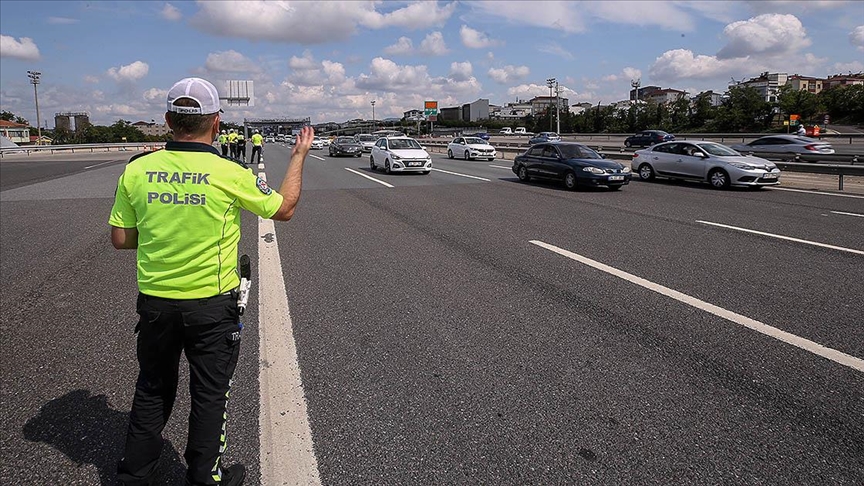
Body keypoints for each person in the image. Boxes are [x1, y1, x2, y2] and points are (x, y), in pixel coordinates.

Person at [109, 76, 314, 486]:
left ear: (168, 120)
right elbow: (285, 208)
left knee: (152, 386)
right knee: (209, 394)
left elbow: (121, 239)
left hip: (155, 304)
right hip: (211, 306)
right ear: (217, 123)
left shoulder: (138, 169)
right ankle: (205, 477)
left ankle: (135, 475)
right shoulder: (230, 173)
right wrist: (298, 156)